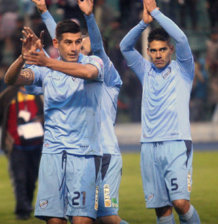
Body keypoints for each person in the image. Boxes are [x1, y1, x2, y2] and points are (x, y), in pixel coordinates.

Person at [30, 0, 128, 223]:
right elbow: (60, 45)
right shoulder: (72, 64)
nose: (76, 49)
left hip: (105, 153)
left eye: (80, 44)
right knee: (92, 217)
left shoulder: (102, 69)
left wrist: (90, 17)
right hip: (80, 151)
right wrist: (45, 13)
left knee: (106, 217)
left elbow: (94, 49)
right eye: (71, 45)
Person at [4, 17, 104, 224]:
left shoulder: (93, 62)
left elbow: (88, 73)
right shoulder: (44, 71)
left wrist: (47, 61)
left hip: (84, 154)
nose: (75, 47)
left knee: (82, 221)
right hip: (53, 153)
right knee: (54, 221)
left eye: (78, 41)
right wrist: (22, 58)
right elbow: (11, 79)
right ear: (57, 43)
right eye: (68, 42)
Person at [120, 0, 200, 223]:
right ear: (148, 51)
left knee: (181, 203)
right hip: (149, 146)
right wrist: (141, 24)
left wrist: (155, 12)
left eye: (163, 49)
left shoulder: (183, 69)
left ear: (171, 49)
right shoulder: (145, 69)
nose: (158, 55)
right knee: (162, 209)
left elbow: (182, 37)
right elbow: (124, 47)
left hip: (176, 142)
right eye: (153, 50)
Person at [0, 85, 43, 220]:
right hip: (16, 145)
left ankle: (27, 205)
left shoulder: (38, 93)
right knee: (20, 179)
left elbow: (47, 114)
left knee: (31, 179)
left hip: (37, 144)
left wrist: (40, 120)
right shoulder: (8, 95)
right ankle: (22, 210)